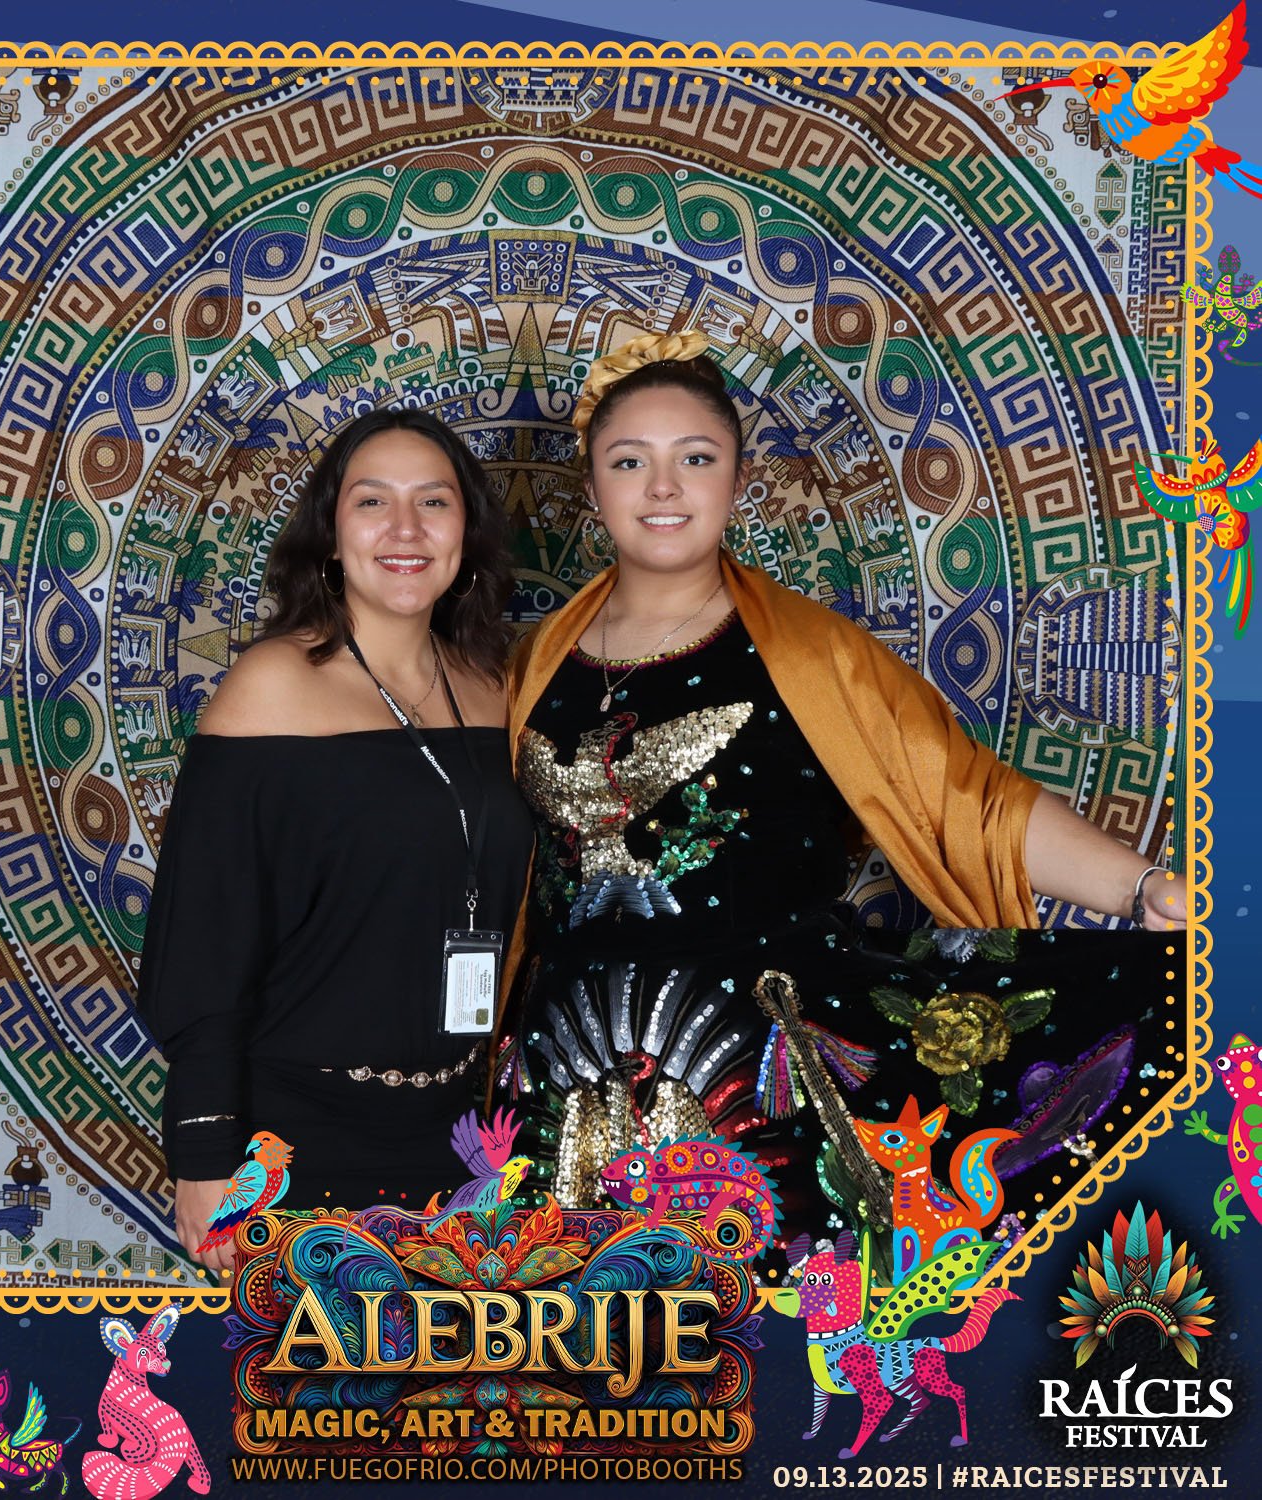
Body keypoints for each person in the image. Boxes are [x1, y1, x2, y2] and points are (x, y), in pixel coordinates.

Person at [492, 330, 1189, 1216]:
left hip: (756, 1073)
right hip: (563, 1065)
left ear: (738, 481)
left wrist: (1142, 888)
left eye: (695, 458)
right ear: (593, 490)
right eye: (630, 462)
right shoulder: (533, 665)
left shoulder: (814, 655)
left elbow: (971, 805)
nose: (663, 487)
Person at [137, 408, 532, 1274]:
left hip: (466, 1141)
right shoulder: (272, 685)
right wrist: (203, 1149)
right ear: (330, 535)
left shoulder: (493, 688)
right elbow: (205, 932)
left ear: (466, 533)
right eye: (372, 501)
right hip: (295, 1140)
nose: (405, 529)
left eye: (433, 502)